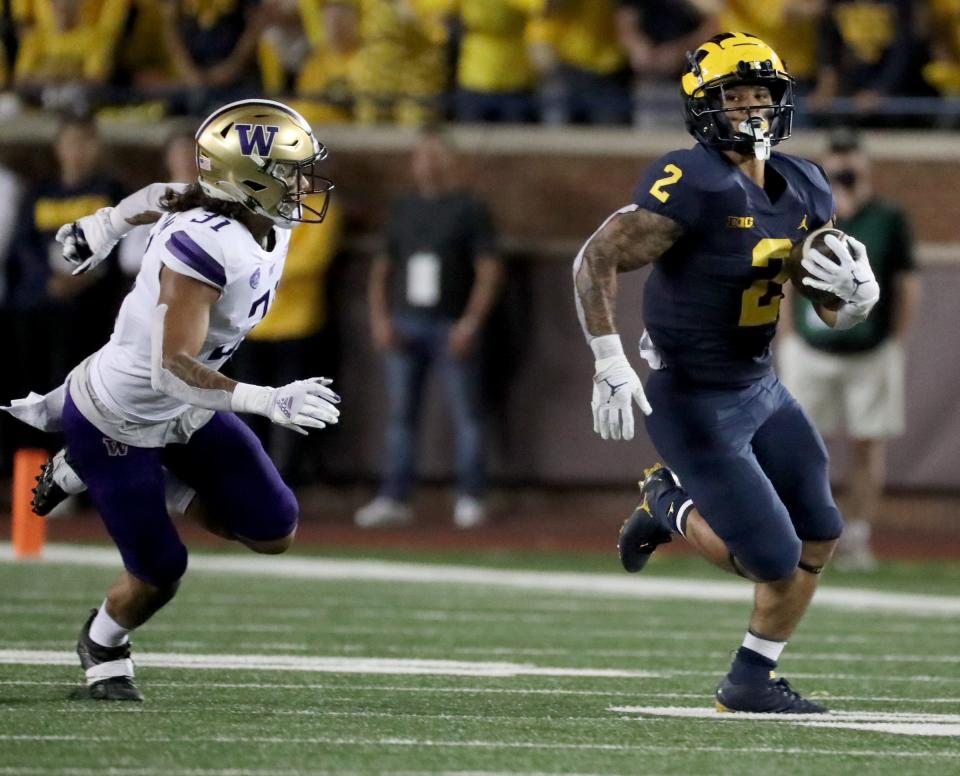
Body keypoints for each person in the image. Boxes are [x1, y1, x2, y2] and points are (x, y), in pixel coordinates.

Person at [572, 33, 879, 714]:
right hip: (694, 397)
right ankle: (668, 503)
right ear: (703, 108)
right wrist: (608, 359)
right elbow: (595, 259)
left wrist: (854, 301)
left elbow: (824, 305)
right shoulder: (692, 181)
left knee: (820, 531)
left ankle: (750, 679)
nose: (750, 108)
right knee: (770, 556)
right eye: (732, 96)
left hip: (760, 387)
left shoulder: (805, 183)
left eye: (760, 95)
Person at [2, 99, 340, 702]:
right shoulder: (207, 247)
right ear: (249, 181)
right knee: (160, 572)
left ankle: (137, 477)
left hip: (186, 405)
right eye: (291, 171)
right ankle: (103, 644)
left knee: (273, 530)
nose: (304, 183)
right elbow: (170, 371)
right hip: (121, 414)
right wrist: (268, 400)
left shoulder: (252, 212)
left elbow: (161, 191)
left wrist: (101, 227)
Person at [779, 127, 920, 570]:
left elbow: (906, 282)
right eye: (835, 159)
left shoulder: (888, 217)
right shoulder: (807, 211)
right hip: (811, 346)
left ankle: (857, 534)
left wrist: (896, 339)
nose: (842, 168)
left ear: (865, 164)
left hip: (870, 348)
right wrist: (785, 334)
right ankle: (805, 531)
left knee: (867, 442)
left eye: (849, 159)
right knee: (804, 443)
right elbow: (785, 272)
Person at [355, 128, 502, 530]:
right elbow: (382, 270)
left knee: (467, 414)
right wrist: (380, 319)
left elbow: (489, 271)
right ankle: (395, 497)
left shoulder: (470, 208)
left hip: (450, 323)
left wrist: (471, 323)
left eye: (437, 155)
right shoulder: (403, 208)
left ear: (452, 161)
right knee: (401, 416)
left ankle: (471, 494)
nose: (429, 164)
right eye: (422, 156)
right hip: (406, 321)